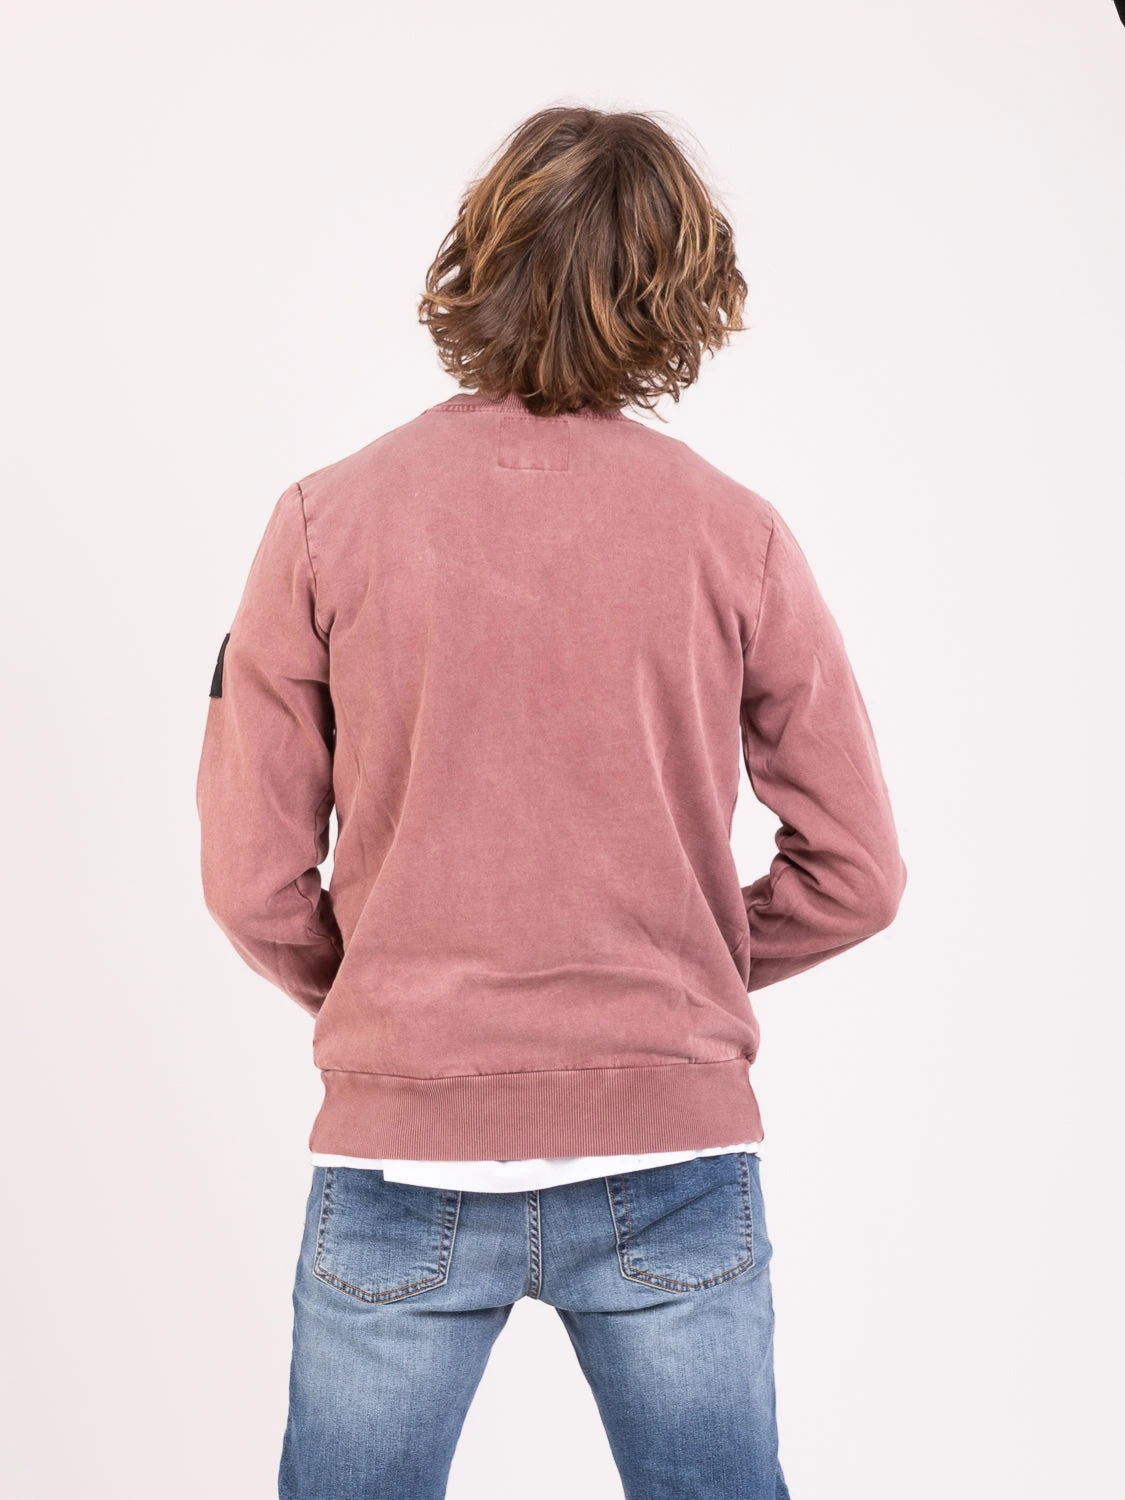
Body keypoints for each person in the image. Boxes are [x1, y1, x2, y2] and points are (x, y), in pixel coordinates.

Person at [196, 103, 907, 1500]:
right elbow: (859, 874)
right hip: (674, 1150)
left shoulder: (325, 521)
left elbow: (248, 879)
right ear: (679, 294)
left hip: (403, 1154)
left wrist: (402, 995)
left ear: (482, 256)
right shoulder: (738, 534)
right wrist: (675, 966)